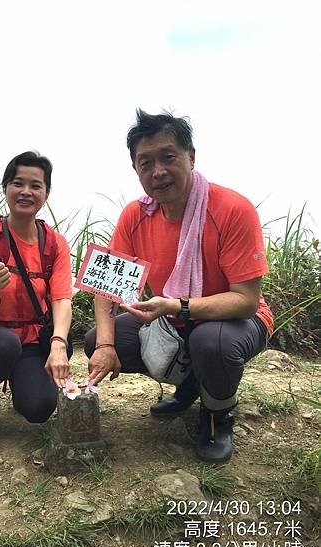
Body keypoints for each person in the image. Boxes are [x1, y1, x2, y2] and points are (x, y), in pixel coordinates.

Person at [85, 109, 273, 463]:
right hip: (172, 317)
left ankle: (217, 416)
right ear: (136, 170)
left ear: (191, 156)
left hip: (236, 320)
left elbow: (246, 300)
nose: (158, 171)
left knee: (211, 342)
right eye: (146, 162)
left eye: (168, 157)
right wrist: (107, 345)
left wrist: (175, 306)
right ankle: (190, 385)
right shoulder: (135, 215)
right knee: (99, 339)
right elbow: (106, 289)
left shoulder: (232, 209)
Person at [0, 151, 73, 451]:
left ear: (46, 193)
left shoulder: (54, 243)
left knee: (39, 409)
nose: (26, 192)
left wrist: (58, 342)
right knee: (3, 344)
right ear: (6, 187)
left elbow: (61, 299)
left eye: (36, 185)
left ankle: (21, 384)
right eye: (18, 183)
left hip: (30, 339)